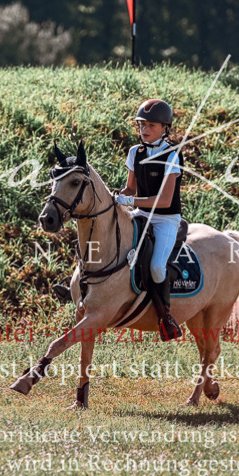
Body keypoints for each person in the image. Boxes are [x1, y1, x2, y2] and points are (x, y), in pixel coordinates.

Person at [52, 98, 184, 342]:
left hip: (165, 219)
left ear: (165, 128)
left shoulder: (172, 155)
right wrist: (117, 197)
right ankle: (81, 286)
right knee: (108, 238)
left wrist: (130, 202)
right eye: (141, 125)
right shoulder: (136, 152)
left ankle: (166, 317)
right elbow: (131, 188)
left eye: (151, 125)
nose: (144, 130)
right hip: (141, 215)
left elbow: (165, 200)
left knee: (156, 266)